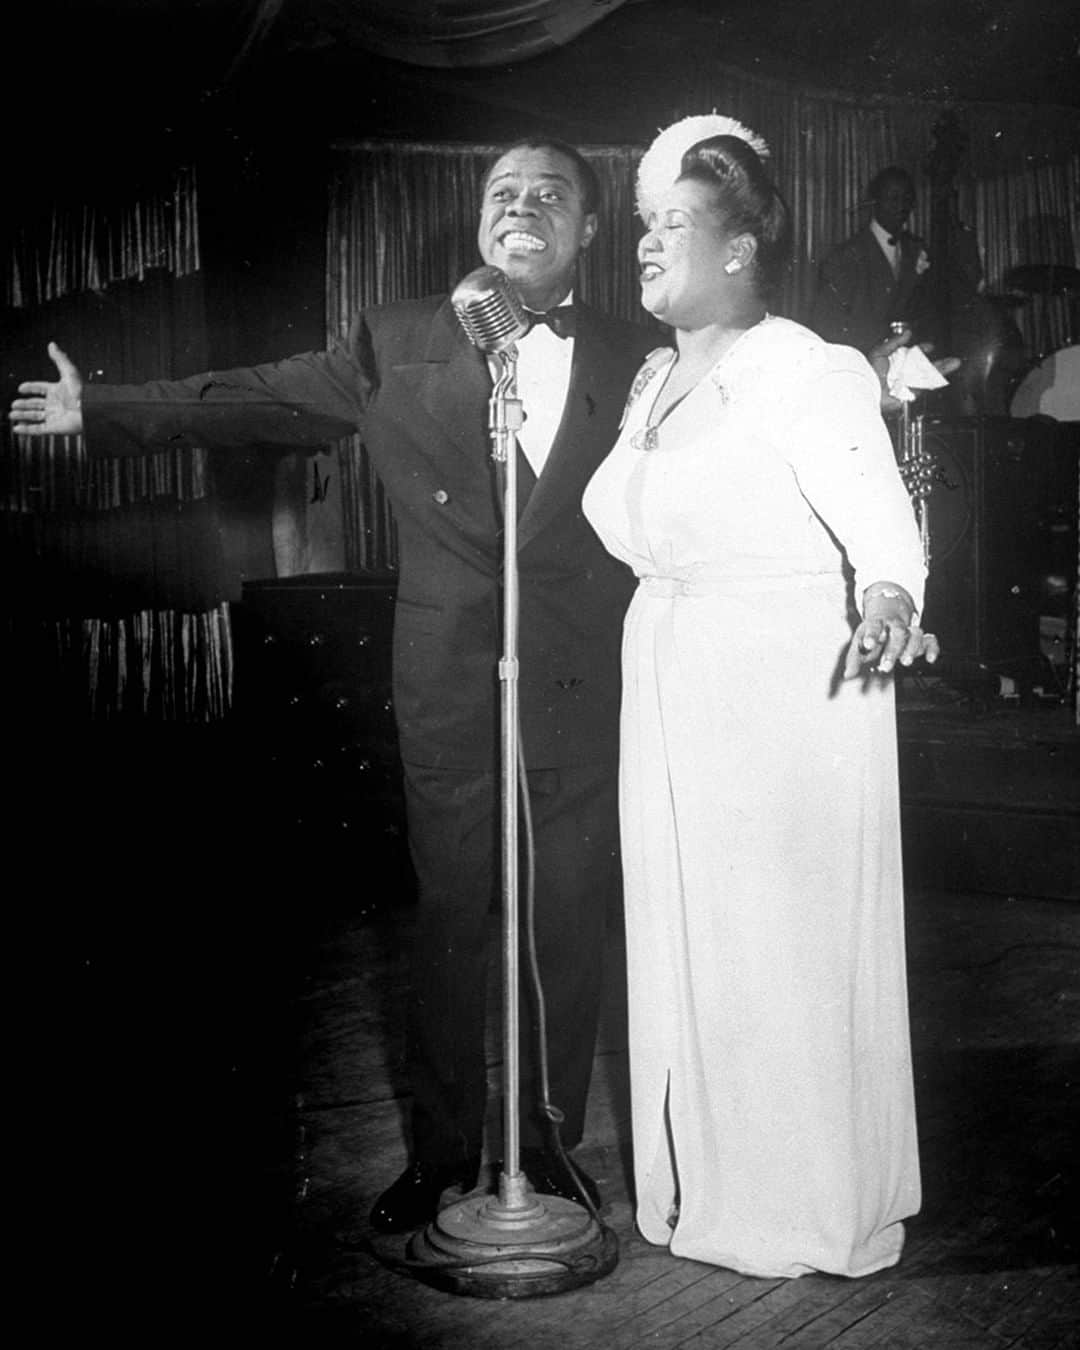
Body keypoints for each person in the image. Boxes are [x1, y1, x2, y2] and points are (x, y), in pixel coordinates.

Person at [10, 137, 656, 1234]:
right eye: (503, 192)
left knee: (566, 921)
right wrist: (105, 408)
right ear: (479, 221)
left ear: (590, 230)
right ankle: (443, 1152)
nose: (523, 206)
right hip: (449, 677)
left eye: (551, 195)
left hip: (581, 679)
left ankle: (548, 1147)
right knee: (451, 920)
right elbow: (254, 397)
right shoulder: (401, 338)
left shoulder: (641, 351)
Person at [581, 114, 939, 1278]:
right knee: (689, 938)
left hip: (782, 684)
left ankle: (805, 1201)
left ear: (739, 248)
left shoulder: (798, 362)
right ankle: (711, 1187)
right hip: (670, 675)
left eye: (673, 224)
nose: (645, 244)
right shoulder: (648, 380)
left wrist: (888, 596)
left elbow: (879, 513)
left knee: (775, 949)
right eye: (643, 226)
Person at [811, 165, 933, 354]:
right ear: (874, 202)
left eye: (907, 199)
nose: (901, 206)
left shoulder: (916, 249)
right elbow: (829, 329)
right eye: (893, 198)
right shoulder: (844, 257)